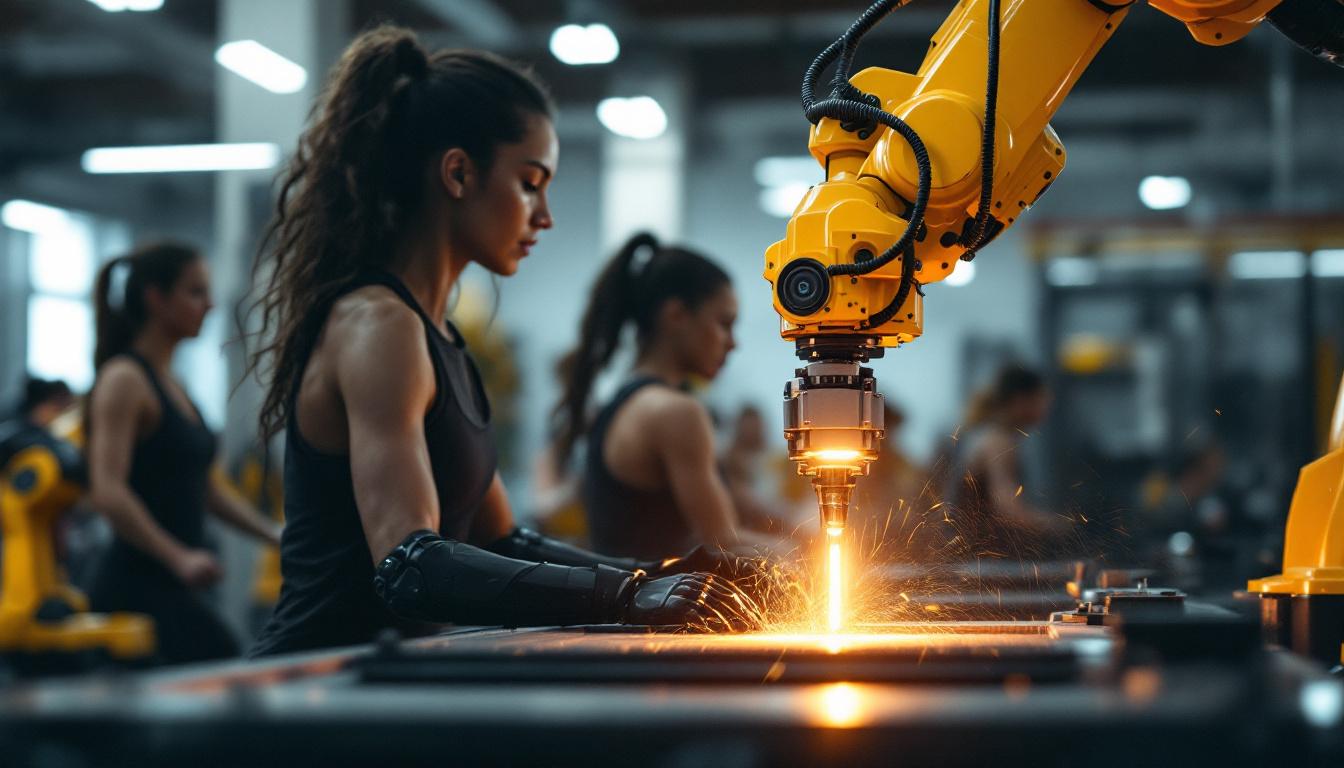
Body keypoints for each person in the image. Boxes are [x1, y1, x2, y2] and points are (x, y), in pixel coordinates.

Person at [246, 28, 759, 658]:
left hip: (379, 685)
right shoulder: (378, 326)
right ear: (458, 173)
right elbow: (411, 565)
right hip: (308, 690)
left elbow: (502, 540)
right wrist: (623, 594)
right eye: (529, 182)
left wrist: (659, 575)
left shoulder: (442, 340)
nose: (544, 215)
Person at [85, 242, 281, 665]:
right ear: (155, 298)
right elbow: (108, 490)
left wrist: (276, 535)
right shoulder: (125, 379)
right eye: (196, 292)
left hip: (174, 584)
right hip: (135, 589)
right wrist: (179, 557)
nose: (210, 305)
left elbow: (206, 489)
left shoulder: (174, 384)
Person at [552, 232, 779, 562]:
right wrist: (817, 561)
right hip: (653, 612)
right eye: (724, 323)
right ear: (675, 315)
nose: (733, 343)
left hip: (625, 609)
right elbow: (726, 546)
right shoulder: (675, 413)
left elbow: (740, 503)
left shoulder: (625, 404)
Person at [945, 363, 1066, 557]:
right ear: (1020, 401)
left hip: (976, 555)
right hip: (973, 560)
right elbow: (1007, 508)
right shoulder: (997, 440)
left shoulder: (992, 434)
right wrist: (1057, 525)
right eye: (1041, 398)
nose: (1047, 407)